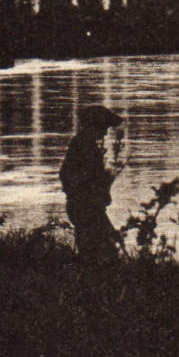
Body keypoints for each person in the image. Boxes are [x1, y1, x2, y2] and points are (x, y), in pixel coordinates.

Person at [59, 105, 123, 262]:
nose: (106, 132)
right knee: (104, 253)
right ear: (95, 125)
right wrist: (98, 195)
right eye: (105, 127)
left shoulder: (84, 142)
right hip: (86, 207)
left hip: (83, 206)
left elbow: (67, 176)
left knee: (93, 250)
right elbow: (83, 179)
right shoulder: (86, 145)